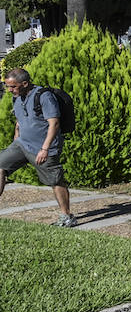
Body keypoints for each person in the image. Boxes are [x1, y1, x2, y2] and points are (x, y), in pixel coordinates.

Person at [0, 69, 74, 226]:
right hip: (22, 144)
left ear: (25, 84)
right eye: (7, 86)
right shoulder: (17, 97)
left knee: (56, 180)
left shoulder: (44, 96)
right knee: (0, 165)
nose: (9, 90)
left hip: (44, 147)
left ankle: (67, 216)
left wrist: (45, 149)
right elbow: (19, 118)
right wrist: (16, 136)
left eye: (12, 86)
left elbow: (54, 123)